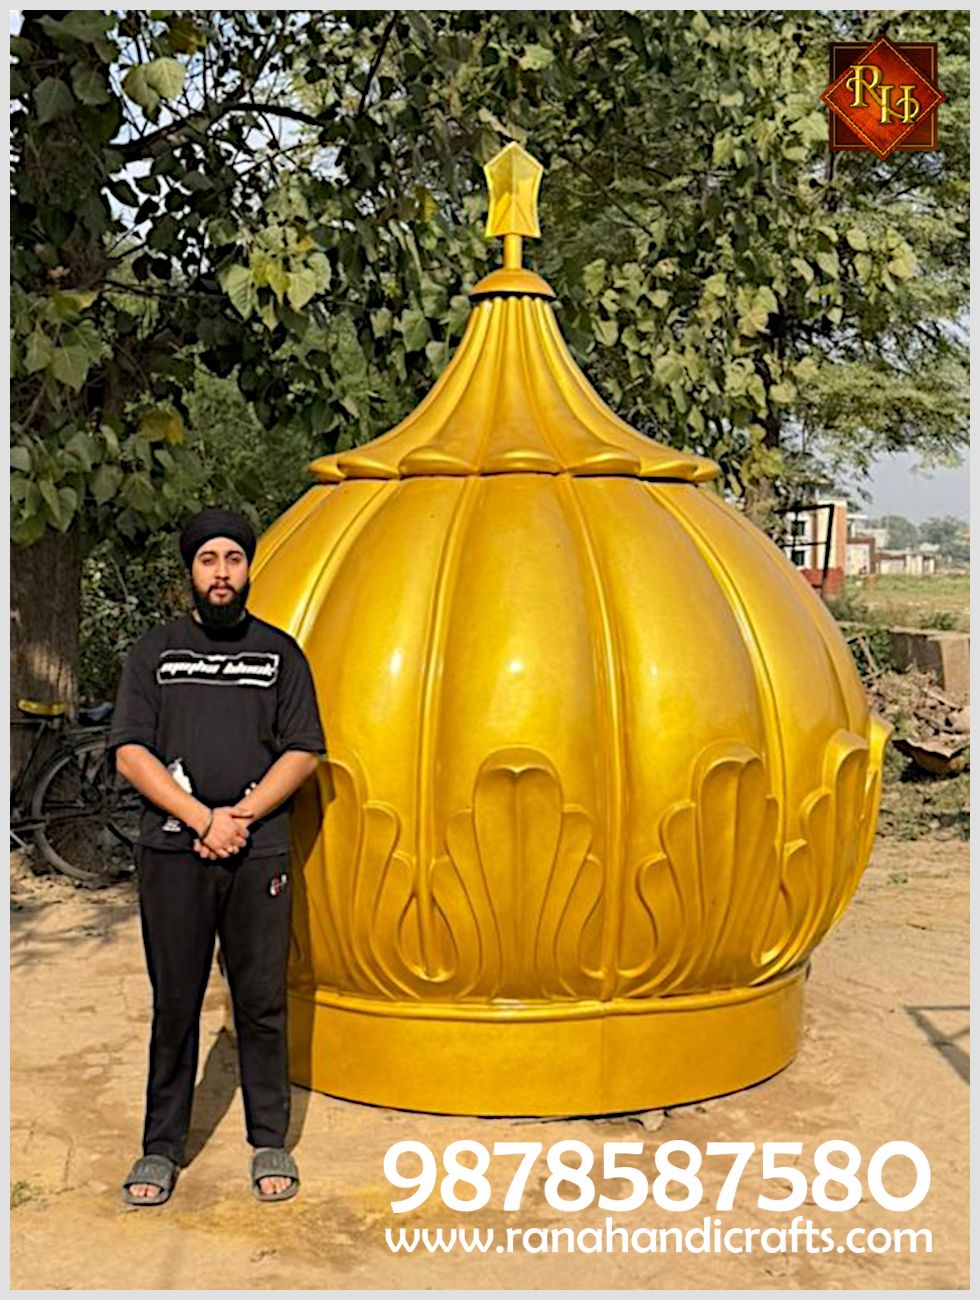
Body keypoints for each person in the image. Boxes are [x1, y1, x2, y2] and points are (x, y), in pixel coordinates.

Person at [108, 506, 326, 1207]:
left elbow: (303, 750)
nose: (222, 573)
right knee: (176, 1002)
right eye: (209, 560)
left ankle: (269, 1140)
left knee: (260, 1001)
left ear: (248, 568)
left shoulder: (279, 653)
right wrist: (202, 817)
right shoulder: (156, 652)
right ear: (191, 571)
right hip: (172, 852)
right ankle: (160, 1148)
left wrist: (241, 817)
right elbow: (131, 751)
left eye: (233, 559)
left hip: (258, 851)